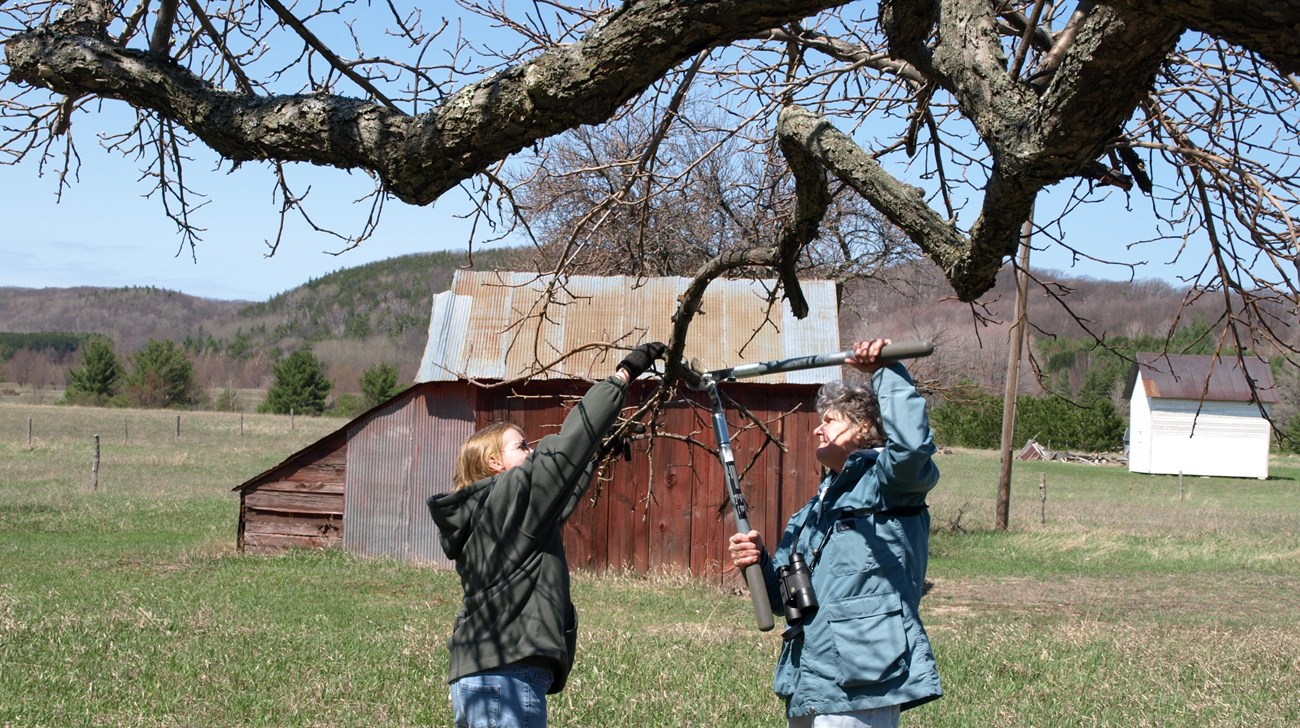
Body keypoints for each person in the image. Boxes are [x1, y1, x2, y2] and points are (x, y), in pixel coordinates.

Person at [428, 341, 666, 728]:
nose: (532, 449)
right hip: (506, 674)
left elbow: (557, 497)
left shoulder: (493, 511)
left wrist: (599, 450)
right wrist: (622, 376)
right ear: (494, 461)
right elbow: (563, 452)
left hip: (483, 675)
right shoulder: (509, 496)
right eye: (522, 446)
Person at [728, 338, 942, 727]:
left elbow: (912, 448)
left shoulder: (890, 484)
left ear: (863, 428)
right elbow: (785, 602)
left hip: (865, 677)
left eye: (829, 420)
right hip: (811, 678)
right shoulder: (812, 512)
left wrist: (884, 371)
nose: (816, 430)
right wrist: (757, 561)